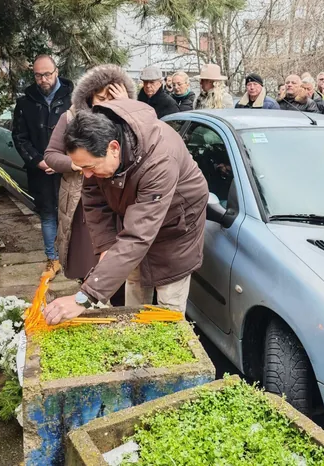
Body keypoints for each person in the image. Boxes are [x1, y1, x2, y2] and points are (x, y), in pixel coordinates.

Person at [42, 99, 209, 325]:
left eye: (90, 167)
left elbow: (137, 237)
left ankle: (167, 353)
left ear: (113, 148)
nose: (87, 175)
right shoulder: (95, 159)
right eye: (82, 168)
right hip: (135, 218)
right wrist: (106, 243)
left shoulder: (159, 159)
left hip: (176, 227)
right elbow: (94, 202)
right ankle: (134, 339)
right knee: (133, 286)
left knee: (168, 304)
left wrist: (84, 298)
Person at [44, 64, 135, 280]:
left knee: (123, 265)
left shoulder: (127, 119)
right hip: (82, 202)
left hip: (122, 202)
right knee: (88, 261)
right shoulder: (70, 117)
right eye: (101, 98)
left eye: (112, 98)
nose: (106, 104)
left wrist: (127, 107)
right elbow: (51, 154)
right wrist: (78, 164)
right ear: (89, 97)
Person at [12, 55, 74, 274]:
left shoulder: (73, 98)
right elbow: (20, 137)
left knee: (72, 213)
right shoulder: (24, 102)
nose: (43, 79)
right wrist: (38, 161)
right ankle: (52, 258)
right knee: (47, 214)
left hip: (70, 169)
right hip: (40, 170)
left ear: (56, 71)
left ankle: (74, 257)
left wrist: (67, 161)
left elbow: (84, 134)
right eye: (38, 75)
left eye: (47, 74)